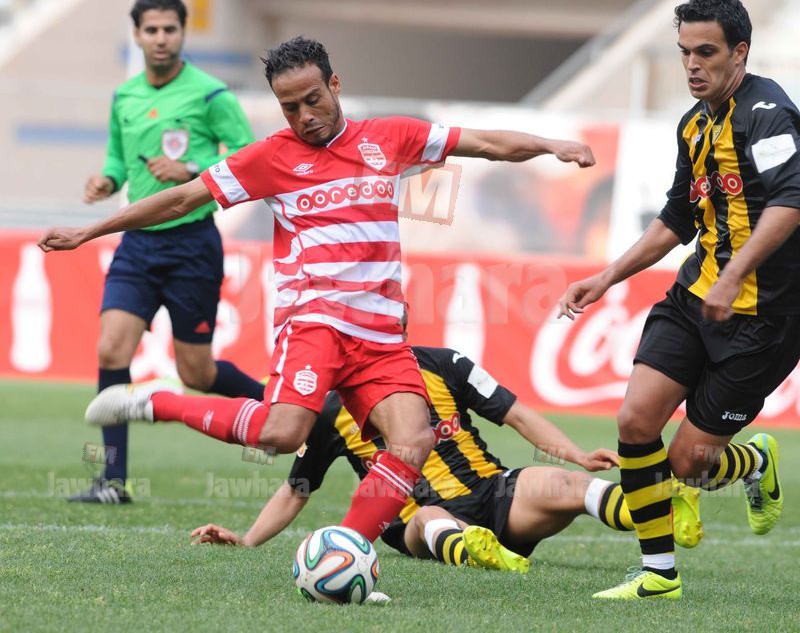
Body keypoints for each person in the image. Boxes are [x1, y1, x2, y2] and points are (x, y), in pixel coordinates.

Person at [39, 36, 595, 542]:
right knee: (281, 435)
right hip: (316, 322)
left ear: (335, 84)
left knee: (413, 440)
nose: (304, 116)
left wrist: (551, 144)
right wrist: (90, 231)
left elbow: (486, 143)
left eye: (312, 99)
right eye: (290, 107)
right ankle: (157, 401)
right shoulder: (270, 157)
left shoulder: (389, 138)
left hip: (381, 336)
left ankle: (347, 550)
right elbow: (184, 198)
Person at [558, 0, 799, 600]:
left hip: (764, 318)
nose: (692, 65)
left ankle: (754, 462)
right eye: (685, 52)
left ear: (740, 52)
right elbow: (677, 218)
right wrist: (607, 276)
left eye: (707, 52)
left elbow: (792, 202)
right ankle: (658, 574)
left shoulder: (768, 113)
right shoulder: (692, 125)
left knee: (690, 463)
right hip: (694, 298)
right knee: (635, 419)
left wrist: (736, 274)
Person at [182, 347, 637, 569]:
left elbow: (517, 415)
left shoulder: (445, 363)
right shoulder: (331, 410)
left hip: (493, 493)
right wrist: (248, 540)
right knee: (428, 518)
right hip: (416, 519)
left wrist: (577, 455)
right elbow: (297, 489)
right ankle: (476, 555)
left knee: (564, 484)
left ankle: (654, 514)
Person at [71, 0, 266, 504]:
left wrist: (191, 172)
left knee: (196, 374)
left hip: (192, 245)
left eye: (169, 29)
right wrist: (106, 180)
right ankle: (112, 480)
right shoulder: (125, 96)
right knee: (111, 349)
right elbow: (118, 160)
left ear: (182, 33)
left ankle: (287, 410)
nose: (161, 39)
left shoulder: (210, 94)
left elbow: (247, 158)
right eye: (151, 30)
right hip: (137, 244)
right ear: (137, 35)